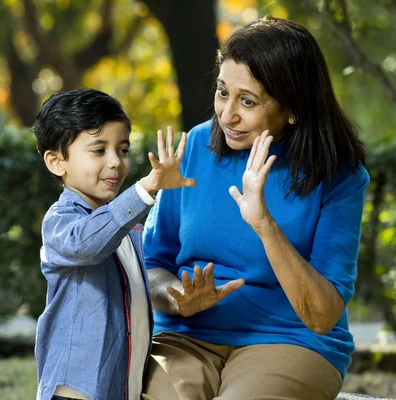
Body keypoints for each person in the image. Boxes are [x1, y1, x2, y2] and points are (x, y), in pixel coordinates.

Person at [142, 16, 369, 400]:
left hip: (290, 341)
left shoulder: (337, 176)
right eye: (222, 92)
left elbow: (321, 315)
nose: (226, 114)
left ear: (293, 107)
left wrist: (264, 225)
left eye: (247, 101)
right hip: (186, 337)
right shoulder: (195, 147)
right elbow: (150, 266)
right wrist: (177, 297)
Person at [31, 88, 195, 400]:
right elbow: (87, 245)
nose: (115, 163)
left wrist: (181, 298)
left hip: (121, 387)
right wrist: (145, 188)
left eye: (122, 149)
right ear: (56, 161)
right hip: (76, 391)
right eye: (98, 150)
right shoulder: (61, 222)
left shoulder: (130, 229)